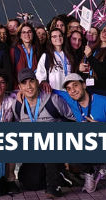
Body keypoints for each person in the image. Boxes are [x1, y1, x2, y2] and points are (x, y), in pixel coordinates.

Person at [54, 74, 106, 194]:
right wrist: (42, 85)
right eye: (69, 88)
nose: (72, 91)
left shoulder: (104, 102)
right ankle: (91, 171)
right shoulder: (71, 99)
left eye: (75, 85)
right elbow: (50, 90)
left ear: (84, 85)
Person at [14, 68, 74, 197]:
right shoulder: (18, 105)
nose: (28, 86)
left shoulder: (53, 100)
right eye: (24, 83)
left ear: (37, 82)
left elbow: (73, 118)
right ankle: (59, 174)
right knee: (29, 183)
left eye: (31, 81)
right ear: (19, 87)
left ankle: (54, 186)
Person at [82, 23, 106, 102]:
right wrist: (80, 69)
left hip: (103, 92)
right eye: (104, 30)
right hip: (90, 88)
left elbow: (104, 72)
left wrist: (90, 57)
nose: (105, 34)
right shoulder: (94, 48)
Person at [10, 23, 40, 89]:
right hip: (20, 89)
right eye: (24, 32)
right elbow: (11, 72)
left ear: (33, 34)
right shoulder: (14, 51)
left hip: (35, 88)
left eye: (29, 32)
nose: (27, 34)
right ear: (20, 35)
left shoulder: (38, 50)